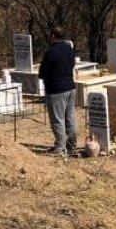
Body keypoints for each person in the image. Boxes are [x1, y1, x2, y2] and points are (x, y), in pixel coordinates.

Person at [39, 26, 78, 156]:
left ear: (54, 36)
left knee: (57, 119)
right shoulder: (69, 49)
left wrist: (45, 75)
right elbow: (72, 65)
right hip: (70, 87)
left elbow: (43, 72)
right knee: (70, 117)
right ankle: (72, 146)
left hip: (56, 89)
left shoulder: (51, 52)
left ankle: (60, 148)